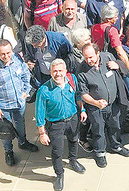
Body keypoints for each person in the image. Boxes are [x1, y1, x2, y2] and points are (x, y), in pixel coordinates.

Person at [78, 43, 129, 168]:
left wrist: (118, 66)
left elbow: (123, 68)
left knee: (115, 126)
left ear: (98, 53)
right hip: (95, 108)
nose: (88, 60)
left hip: (113, 104)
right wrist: (96, 102)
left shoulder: (108, 57)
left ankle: (116, 146)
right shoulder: (82, 69)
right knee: (98, 131)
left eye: (91, 57)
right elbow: (83, 94)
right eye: (86, 57)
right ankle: (100, 153)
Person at [35, 59, 86, 191]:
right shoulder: (44, 90)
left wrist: (83, 109)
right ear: (50, 72)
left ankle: (73, 161)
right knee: (57, 150)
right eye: (55, 71)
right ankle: (59, 174)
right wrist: (42, 133)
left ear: (65, 71)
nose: (58, 74)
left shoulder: (72, 79)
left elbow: (78, 96)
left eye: (60, 71)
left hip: (73, 118)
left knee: (74, 141)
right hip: (55, 124)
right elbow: (39, 112)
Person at [0, 40, 38, 167]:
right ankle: (8, 151)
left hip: (19, 102)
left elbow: (25, 75)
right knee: (5, 131)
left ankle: (23, 143)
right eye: (2, 54)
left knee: (20, 124)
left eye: (8, 52)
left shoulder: (17, 59)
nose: (6, 56)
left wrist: (26, 91)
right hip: (3, 106)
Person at [91, 5, 129, 71]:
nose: (117, 18)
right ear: (109, 19)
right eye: (115, 17)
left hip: (97, 58)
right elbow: (119, 51)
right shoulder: (112, 30)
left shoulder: (94, 27)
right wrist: (127, 65)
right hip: (108, 61)